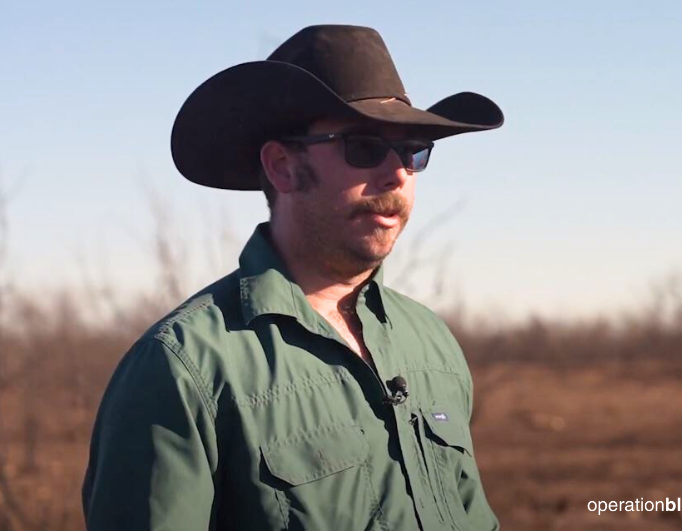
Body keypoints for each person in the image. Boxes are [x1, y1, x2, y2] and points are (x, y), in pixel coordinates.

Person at [82, 24, 503, 530]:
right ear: (282, 167)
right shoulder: (183, 368)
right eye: (365, 147)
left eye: (413, 149)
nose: (397, 174)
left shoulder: (432, 344)